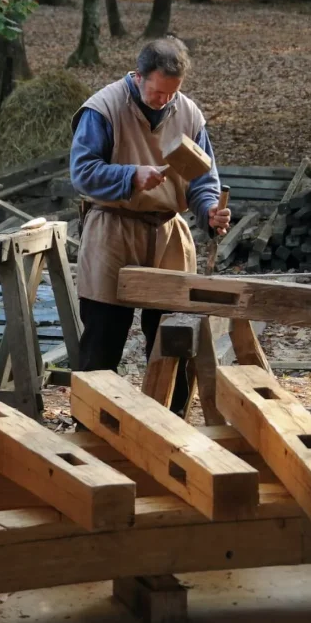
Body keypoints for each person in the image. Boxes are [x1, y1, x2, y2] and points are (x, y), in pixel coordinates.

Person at [69, 36, 230, 416]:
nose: (164, 101)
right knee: (102, 342)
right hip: (113, 232)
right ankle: (90, 429)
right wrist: (130, 176)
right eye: (157, 93)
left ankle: (170, 427)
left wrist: (208, 209)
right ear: (138, 76)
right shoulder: (103, 109)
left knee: (175, 340)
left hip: (168, 235)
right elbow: (82, 173)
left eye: (171, 94)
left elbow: (203, 178)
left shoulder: (188, 113)